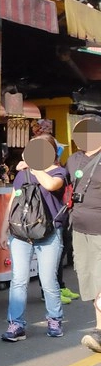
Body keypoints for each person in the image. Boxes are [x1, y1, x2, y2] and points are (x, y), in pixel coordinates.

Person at [2, 135, 68, 341]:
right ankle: (16, 325)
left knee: (47, 279)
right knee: (18, 280)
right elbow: (14, 200)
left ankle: (55, 319)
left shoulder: (59, 172)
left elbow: (50, 185)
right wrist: (5, 228)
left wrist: (34, 167)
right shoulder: (22, 175)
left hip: (49, 232)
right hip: (21, 233)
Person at [65, 116, 101, 353]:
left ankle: (100, 331)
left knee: (100, 279)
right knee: (89, 277)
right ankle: (99, 328)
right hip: (79, 227)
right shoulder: (73, 159)